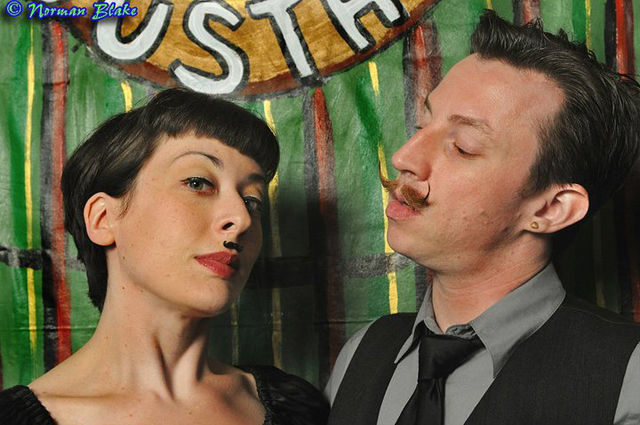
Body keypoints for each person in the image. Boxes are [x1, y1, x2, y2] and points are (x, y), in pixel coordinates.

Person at [325, 10, 640, 425]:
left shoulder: (628, 378)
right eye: (421, 125)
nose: (403, 158)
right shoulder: (362, 354)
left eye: (463, 147)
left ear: (551, 209)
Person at [0, 88, 329, 424]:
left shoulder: (297, 407)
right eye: (198, 183)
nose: (241, 219)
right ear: (103, 219)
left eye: (252, 201)